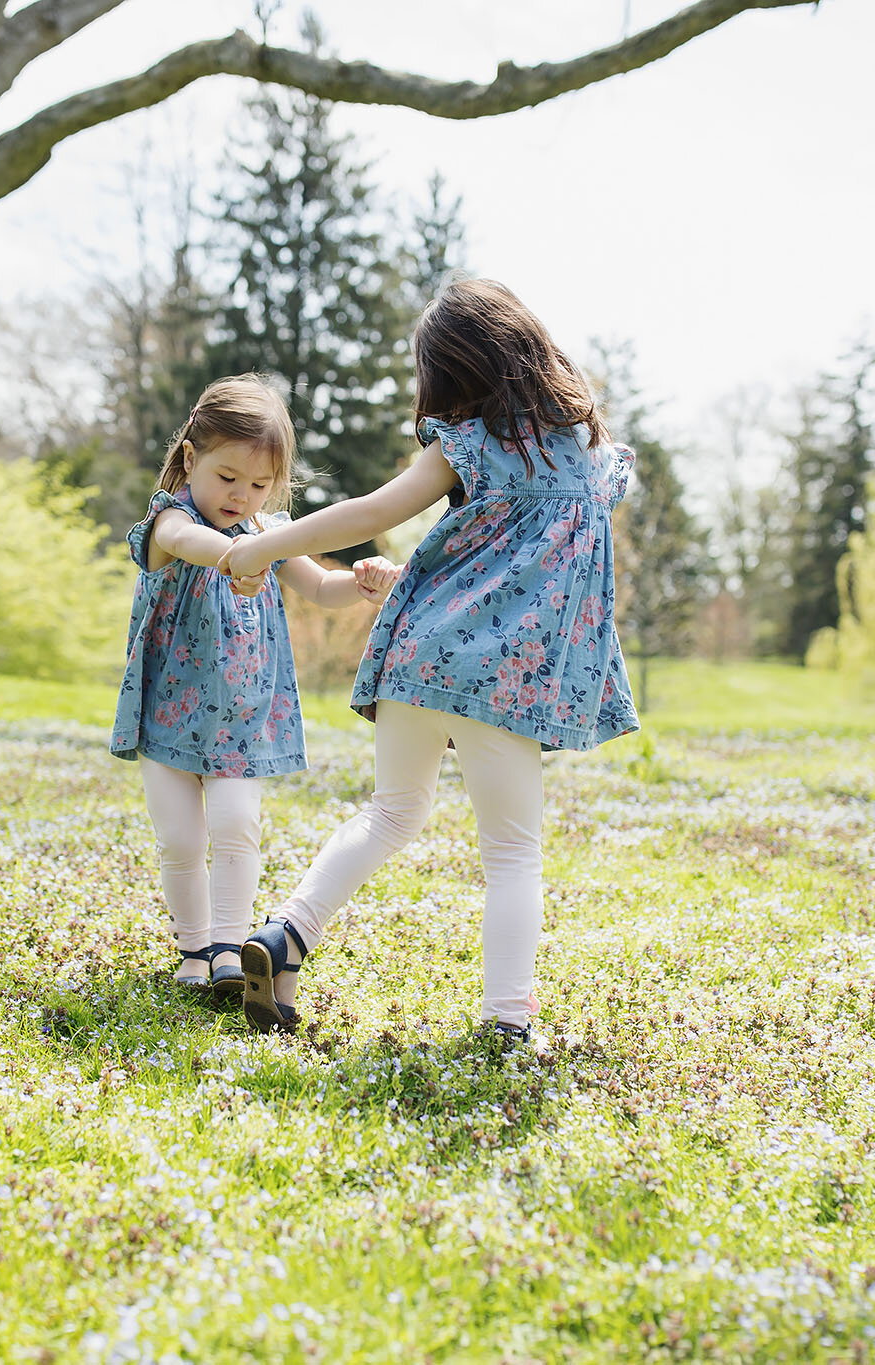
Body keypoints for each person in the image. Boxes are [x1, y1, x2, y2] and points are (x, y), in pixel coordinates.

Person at [217, 279, 639, 1043]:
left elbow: (375, 513)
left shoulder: (465, 445)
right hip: (503, 679)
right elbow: (558, 570)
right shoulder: (592, 458)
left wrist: (261, 542)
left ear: (454, 373)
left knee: (390, 812)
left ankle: (285, 934)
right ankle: (508, 1021)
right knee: (512, 850)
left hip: (421, 653)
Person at [111, 375, 399, 999]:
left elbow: (321, 588)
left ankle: (227, 947)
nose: (241, 496)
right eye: (227, 478)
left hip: (244, 718)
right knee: (182, 840)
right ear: (191, 459)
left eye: (259, 485)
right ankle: (193, 947)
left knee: (238, 826)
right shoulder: (170, 521)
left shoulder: (268, 534)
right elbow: (191, 544)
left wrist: (367, 581)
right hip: (167, 713)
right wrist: (238, 557)